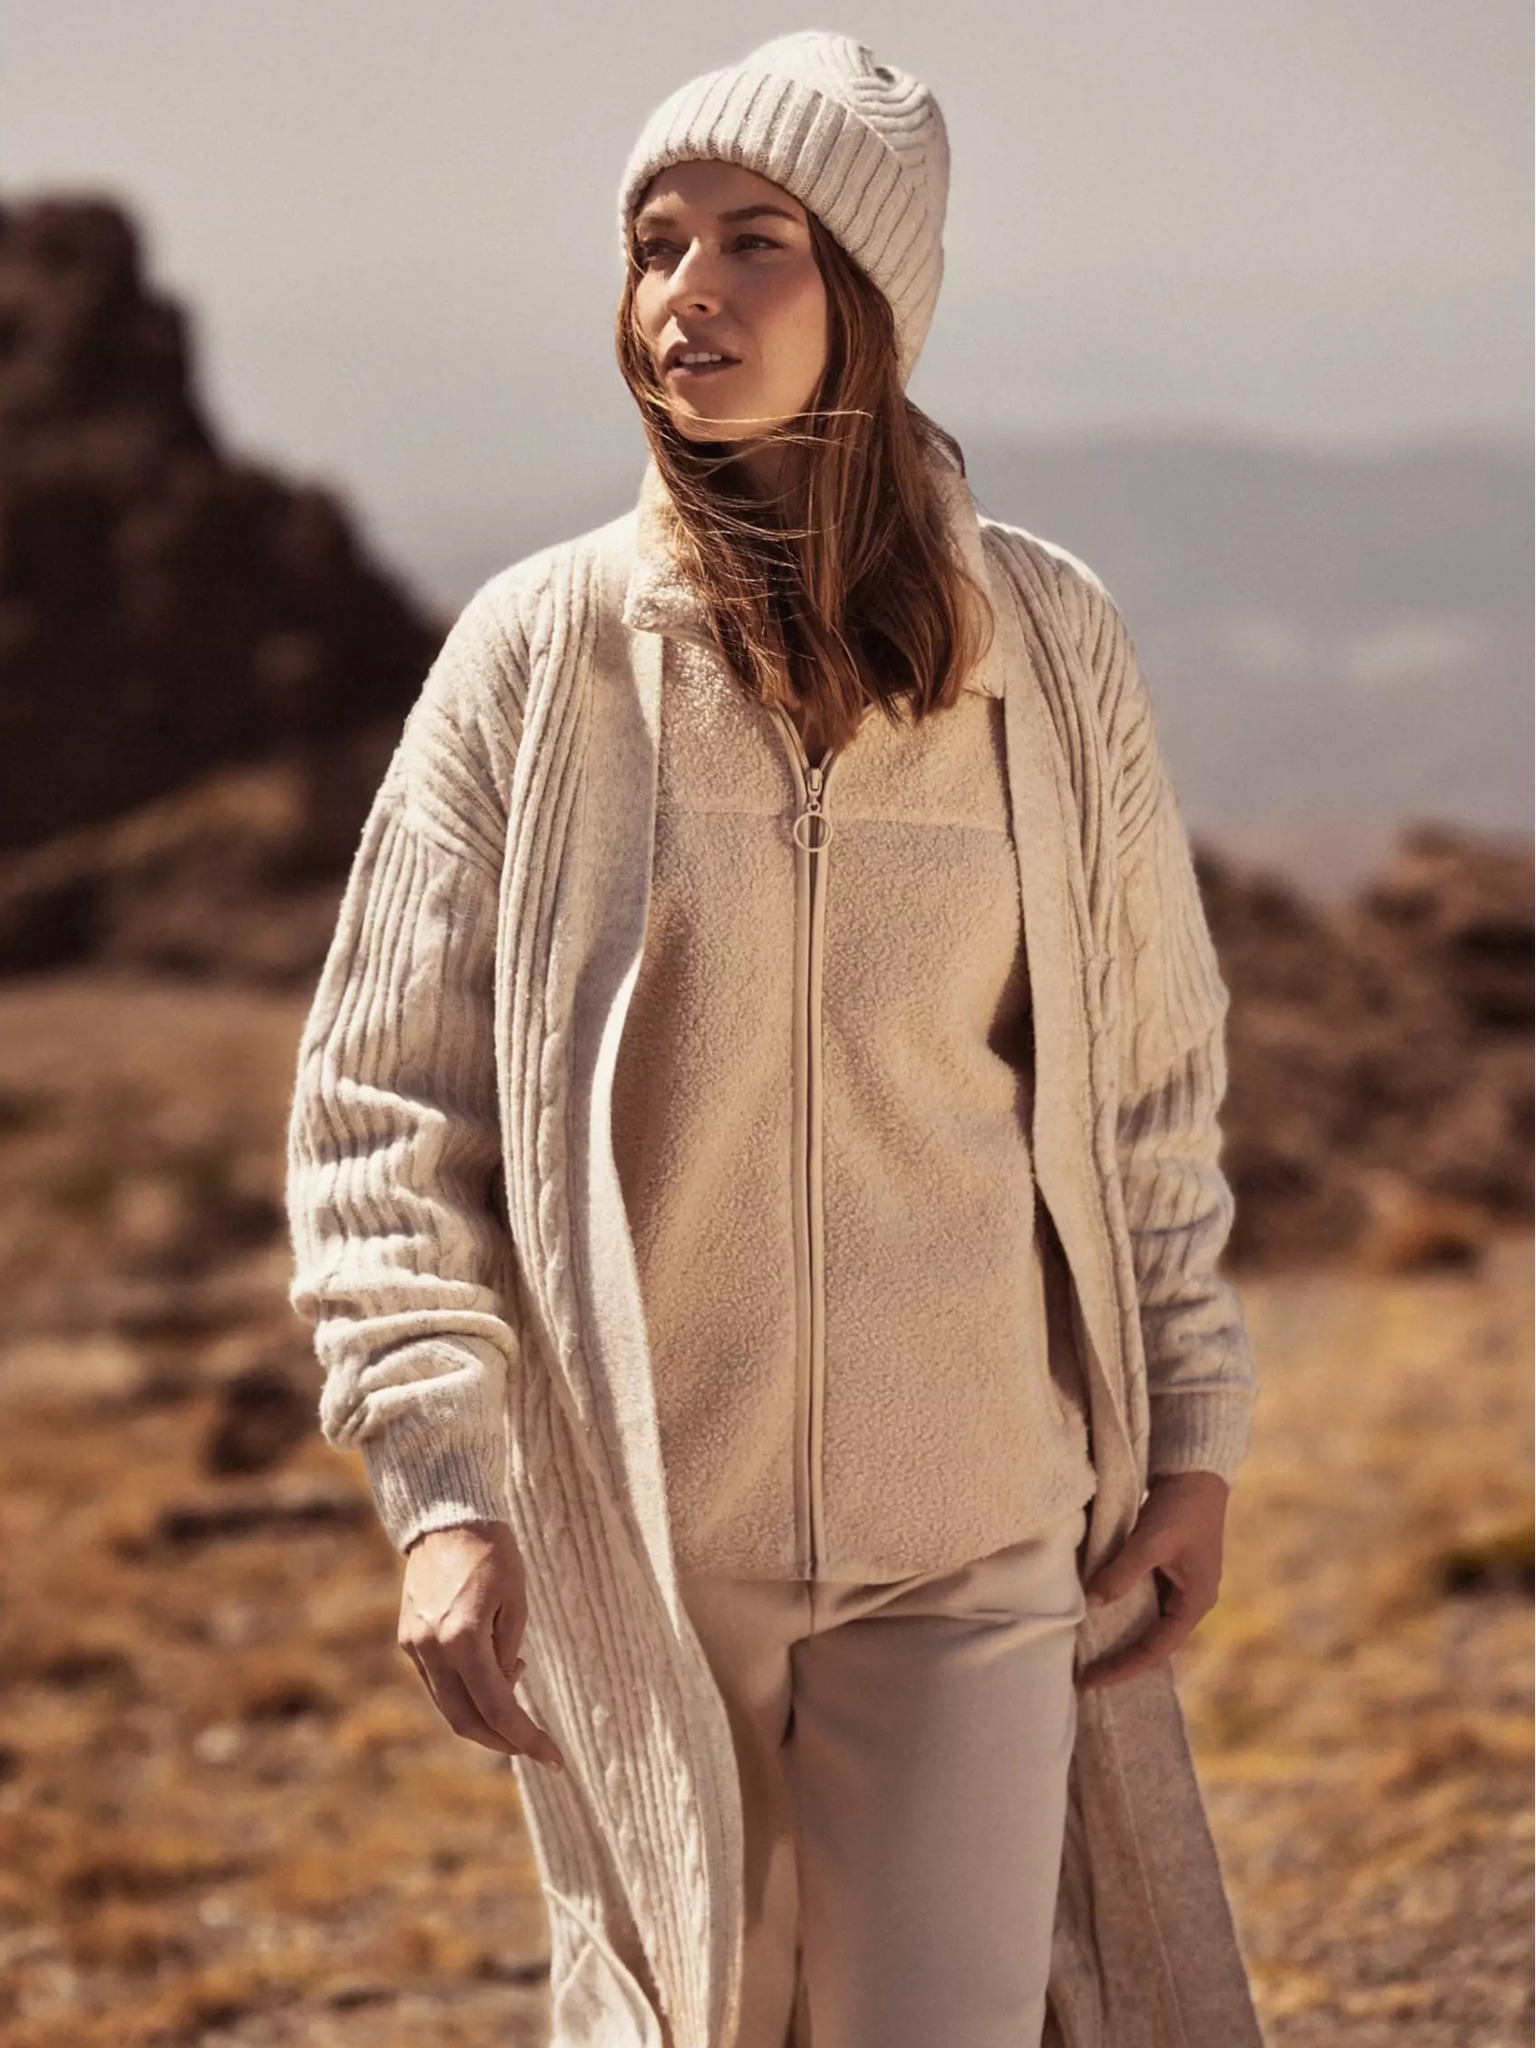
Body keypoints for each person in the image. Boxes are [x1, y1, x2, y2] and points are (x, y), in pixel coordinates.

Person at [285, 31, 1263, 2048]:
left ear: (873, 294)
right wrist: (444, 1485)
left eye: (758, 243)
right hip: (645, 1550)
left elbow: (1150, 1084)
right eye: (656, 245)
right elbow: (383, 1109)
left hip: (975, 1528)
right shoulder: (539, 657)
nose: (688, 294)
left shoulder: (1047, 647)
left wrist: (1192, 1429)